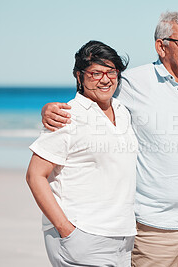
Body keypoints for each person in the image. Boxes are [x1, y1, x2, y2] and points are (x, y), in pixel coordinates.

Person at [41, 9, 178, 267]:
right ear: (161, 46)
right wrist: (48, 110)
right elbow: (92, 94)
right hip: (157, 228)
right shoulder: (132, 83)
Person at [26, 40, 138, 267]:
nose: (105, 79)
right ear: (79, 76)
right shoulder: (67, 115)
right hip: (82, 236)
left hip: (123, 238)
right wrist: (67, 230)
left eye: (111, 71)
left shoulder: (122, 110)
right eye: (96, 73)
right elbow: (34, 175)